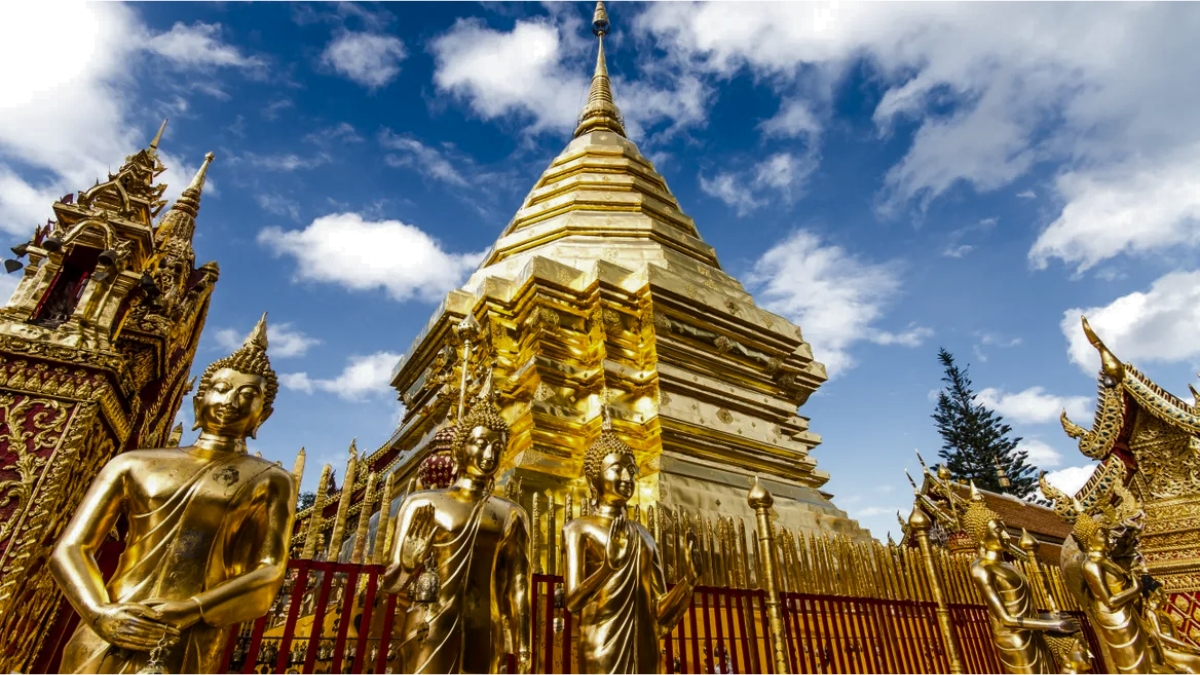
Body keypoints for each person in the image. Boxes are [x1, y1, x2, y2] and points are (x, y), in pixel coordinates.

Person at [50, 314, 295, 673]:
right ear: (199, 401)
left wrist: (193, 608)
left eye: (248, 395)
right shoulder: (134, 464)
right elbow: (72, 548)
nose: (231, 401)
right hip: (114, 616)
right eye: (222, 388)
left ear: (265, 413)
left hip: (190, 632)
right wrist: (99, 613)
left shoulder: (270, 479)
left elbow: (269, 570)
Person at [381, 371, 530, 674]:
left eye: (498, 447)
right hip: (431, 621)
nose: (489, 455)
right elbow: (391, 582)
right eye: (480, 443)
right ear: (461, 446)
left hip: (485, 626)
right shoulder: (422, 503)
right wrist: (409, 565)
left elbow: (518, 585)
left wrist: (523, 642)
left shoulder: (511, 513)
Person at [563, 408, 699, 674]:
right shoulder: (579, 529)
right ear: (594, 480)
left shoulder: (645, 536)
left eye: (631, 470)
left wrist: (688, 582)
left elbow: (659, 613)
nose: (626, 478)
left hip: (644, 647)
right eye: (617, 470)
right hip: (601, 644)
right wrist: (607, 569)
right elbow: (572, 602)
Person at [963, 483, 1079, 674]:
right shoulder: (981, 568)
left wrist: (1049, 619)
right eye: (997, 531)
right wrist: (1050, 624)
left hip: (1033, 632)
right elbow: (1006, 619)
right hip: (1013, 638)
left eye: (1003, 528)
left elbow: (1026, 611)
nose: (1006, 536)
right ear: (981, 536)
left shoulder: (1009, 565)